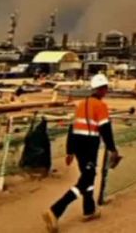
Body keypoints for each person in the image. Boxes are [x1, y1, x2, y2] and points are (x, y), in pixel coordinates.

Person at [42, 73, 120, 231]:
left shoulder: (81, 104)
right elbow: (106, 130)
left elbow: (72, 128)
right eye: (105, 88)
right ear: (102, 89)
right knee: (85, 181)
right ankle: (55, 210)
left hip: (78, 146)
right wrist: (113, 150)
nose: (106, 91)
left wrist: (70, 151)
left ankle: (89, 210)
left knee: (88, 176)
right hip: (89, 146)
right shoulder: (101, 106)